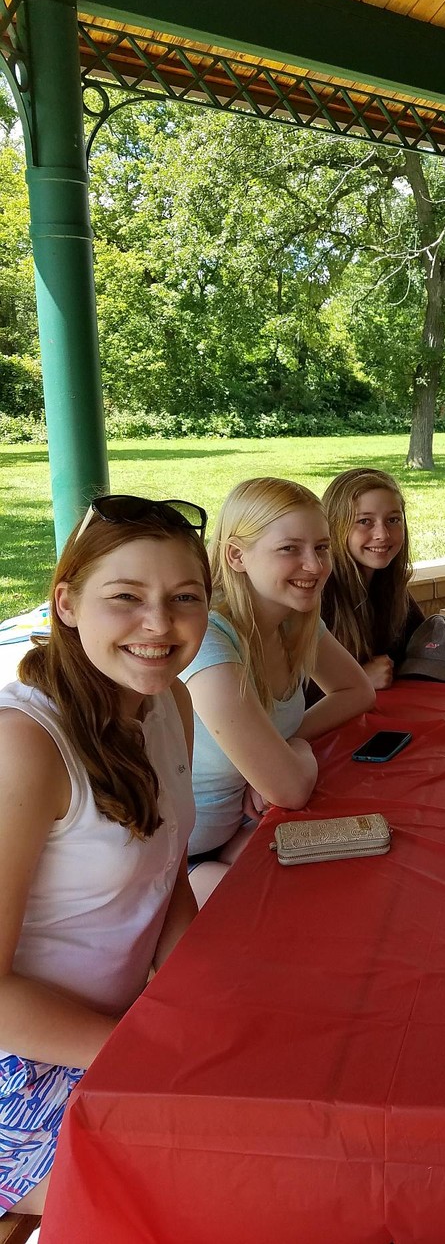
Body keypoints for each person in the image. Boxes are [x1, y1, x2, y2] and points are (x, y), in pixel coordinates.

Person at [0, 495, 211, 1219]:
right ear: (66, 603)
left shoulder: (169, 702)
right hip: (22, 1064)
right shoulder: (26, 744)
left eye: (185, 597)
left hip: (118, 1030)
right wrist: (151, 1050)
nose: (159, 624)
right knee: (192, 1193)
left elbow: (165, 873)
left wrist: (196, 1004)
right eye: (126, 597)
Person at [180, 478, 375, 903]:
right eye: (290, 549)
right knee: (289, 909)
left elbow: (356, 691)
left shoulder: (292, 619)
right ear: (236, 555)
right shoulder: (209, 638)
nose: (314, 566)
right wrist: (292, 753)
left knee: (357, 878)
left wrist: (280, 750)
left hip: (237, 831)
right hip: (174, 864)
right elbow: (288, 790)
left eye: (321, 547)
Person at [319, 468, 424, 691]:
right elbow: (288, 695)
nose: (383, 534)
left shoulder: (389, 584)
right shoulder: (318, 593)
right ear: (334, 526)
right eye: (365, 521)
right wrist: (359, 679)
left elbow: (424, 642)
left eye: (393, 520)